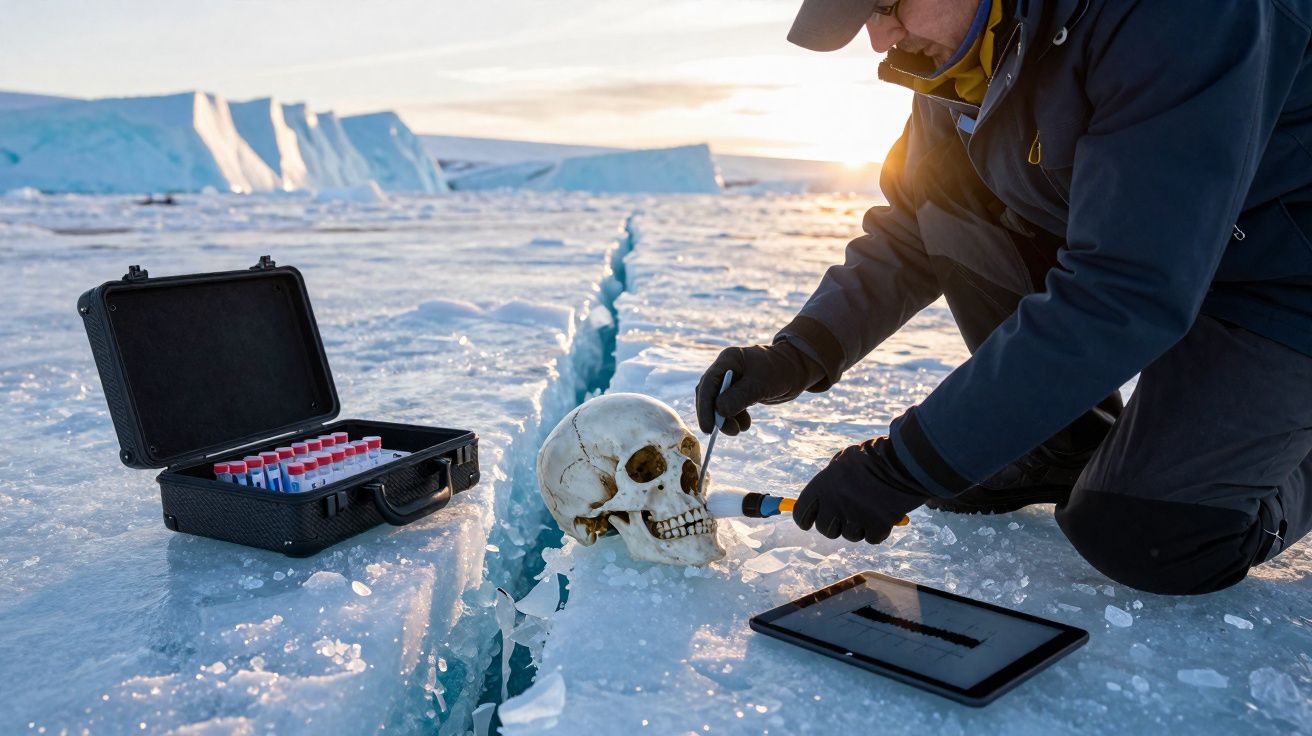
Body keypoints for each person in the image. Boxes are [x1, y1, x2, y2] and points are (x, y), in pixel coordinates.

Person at [696, 0, 1312, 595]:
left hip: (1278, 275)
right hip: (1158, 256)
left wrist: (904, 464)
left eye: (886, 4)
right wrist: (796, 354)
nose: (879, 40)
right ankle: (1056, 449)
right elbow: (916, 223)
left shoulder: (1176, 15)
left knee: (1145, 533)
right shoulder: (966, 56)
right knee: (951, 204)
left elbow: (1124, 287)